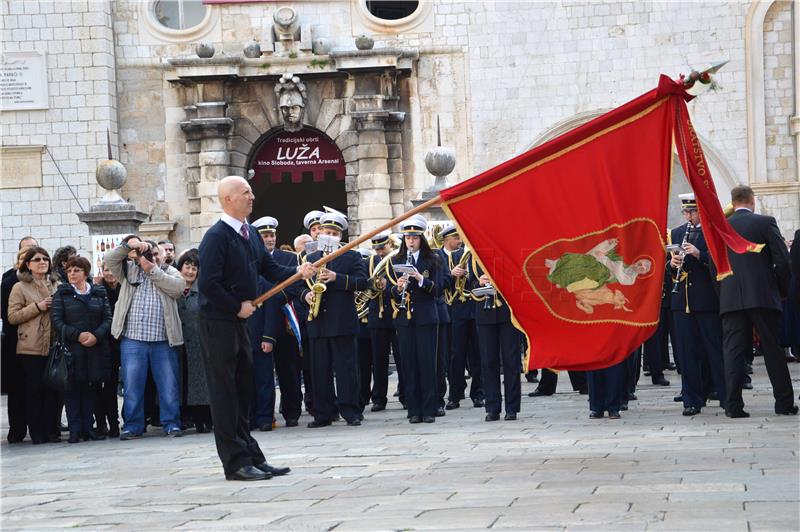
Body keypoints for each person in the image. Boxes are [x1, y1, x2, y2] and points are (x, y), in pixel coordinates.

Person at [197, 175, 314, 481]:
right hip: (219, 323)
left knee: (241, 389)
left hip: (239, 323)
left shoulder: (249, 234)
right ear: (227, 200)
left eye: (250, 192)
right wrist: (237, 306)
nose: (252, 196)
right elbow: (208, 284)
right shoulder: (216, 237)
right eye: (245, 192)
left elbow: (270, 269)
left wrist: (299, 272)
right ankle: (235, 463)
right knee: (225, 394)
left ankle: (251, 455)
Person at [718, 186, 796, 418]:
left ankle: (732, 405)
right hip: (762, 295)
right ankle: (783, 403)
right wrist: (781, 291)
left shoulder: (722, 227)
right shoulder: (765, 222)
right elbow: (782, 261)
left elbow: (715, 264)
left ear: (732, 202)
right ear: (752, 200)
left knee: (733, 351)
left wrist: (722, 293)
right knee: (773, 350)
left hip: (731, 297)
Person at [105, 235, 186, 439]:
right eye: (147, 253)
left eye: (156, 253)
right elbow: (110, 259)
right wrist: (128, 246)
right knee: (132, 385)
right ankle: (133, 426)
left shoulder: (171, 272)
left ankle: (171, 424)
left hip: (163, 340)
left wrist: (151, 269)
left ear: (162, 255)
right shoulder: (128, 272)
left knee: (168, 385)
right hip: (133, 339)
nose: (152, 256)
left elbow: (177, 289)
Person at [301, 210, 368, 428]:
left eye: (333, 233)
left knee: (346, 368)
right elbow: (297, 286)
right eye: (325, 232)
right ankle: (323, 413)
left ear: (339, 236)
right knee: (319, 370)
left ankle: (351, 411)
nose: (329, 235)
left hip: (342, 322)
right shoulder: (310, 259)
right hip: (318, 321)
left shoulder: (351, 256)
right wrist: (306, 294)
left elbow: (362, 282)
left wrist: (337, 278)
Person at [669, 193, 726, 416]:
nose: (689, 216)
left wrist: (700, 254)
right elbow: (669, 272)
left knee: (715, 351)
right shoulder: (676, 233)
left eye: (693, 211)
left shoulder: (713, 231)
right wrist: (672, 264)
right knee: (686, 354)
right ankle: (692, 400)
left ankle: (724, 395)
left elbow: (721, 262)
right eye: (686, 212)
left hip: (707, 301)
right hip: (682, 303)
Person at [51, 256, 112, 443]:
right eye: (69, 271)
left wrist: (96, 335)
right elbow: (58, 321)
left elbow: (108, 319)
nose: (72, 274)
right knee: (72, 390)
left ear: (85, 272)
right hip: (72, 350)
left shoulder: (99, 292)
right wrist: (77, 335)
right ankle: (75, 429)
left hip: (94, 349)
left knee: (90, 388)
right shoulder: (62, 294)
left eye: (76, 270)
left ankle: (89, 427)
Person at [389, 215, 443, 424]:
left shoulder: (433, 260)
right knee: (408, 364)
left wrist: (421, 279)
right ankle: (413, 410)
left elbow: (438, 290)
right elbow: (389, 291)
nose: (410, 241)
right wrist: (398, 287)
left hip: (426, 317)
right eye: (407, 237)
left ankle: (429, 409)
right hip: (404, 319)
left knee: (427, 363)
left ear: (421, 238)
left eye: (414, 237)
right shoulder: (397, 260)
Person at [253, 216, 304, 428]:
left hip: (284, 321)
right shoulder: (252, 260)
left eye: (272, 235)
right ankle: (264, 415)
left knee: (288, 370)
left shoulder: (290, 259)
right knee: (262, 374)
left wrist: (274, 298)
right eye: (265, 235)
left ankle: (292, 412)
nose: (270, 239)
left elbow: (295, 286)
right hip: (260, 321)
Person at [7, 246, 61, 444]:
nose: (42, 262)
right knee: (35, 391)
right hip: (30, 347)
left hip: (53, 345)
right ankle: (37, 433)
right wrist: (38, 307)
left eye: (45, 259)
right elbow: (12, 316)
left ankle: (52, 431)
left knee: (52, 392)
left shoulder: (56, 284)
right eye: (37, 259)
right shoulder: (19, 287)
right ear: (28, 265)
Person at [440, 223, 483, 410]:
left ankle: (478, 393)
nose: (460, 240)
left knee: (477, 354)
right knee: (456, 354)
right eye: (457, 237)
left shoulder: (473, 254)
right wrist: (452, 274)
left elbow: (477, 277)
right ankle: (455, 395)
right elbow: (439, 282)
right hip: (455, 310)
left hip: (474, 307)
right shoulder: (443, 257)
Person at [472, 262, 521, 421]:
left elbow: (519, 277)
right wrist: (479, 282)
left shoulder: (504, 249)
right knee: (488, 361)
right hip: (485, 314)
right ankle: (492, 407)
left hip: (508, 313)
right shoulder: (473, 256)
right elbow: (467, 286)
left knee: (511, 361)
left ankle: (512, 407)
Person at [2, 236, 38, 443]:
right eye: (25, 252)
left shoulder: (44, 278)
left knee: (35, 386)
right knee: (17, 388)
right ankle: (17, 429)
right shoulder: (9, 281)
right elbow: (8, 315)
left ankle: (38, 427)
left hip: (38, 341)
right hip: (15, 341)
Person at [176, 249, 212, 434]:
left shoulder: (203, 290)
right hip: (177, 342)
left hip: (199, 342)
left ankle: (203, 419)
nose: (190, 272)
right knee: (180, 381)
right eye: (186, 267)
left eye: (193, 268)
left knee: (200, 382)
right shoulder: (173, 288)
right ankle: (183, 417)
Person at [364, 231, 400, 412]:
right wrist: (373, 285)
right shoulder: (369, 262)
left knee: (402, 359)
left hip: (396, 314)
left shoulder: (397, 259)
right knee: (378, 361)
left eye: (382, 248)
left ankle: (406, 394)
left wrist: (389, 288)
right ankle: (378, 398)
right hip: (377, 316)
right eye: (376, 248)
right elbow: (363, 283)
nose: (379, 252)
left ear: (390, 244)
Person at [94, 261, 121, 437]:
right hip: (101, 342)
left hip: (118, 341)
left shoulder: (124, 289)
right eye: (106, 270)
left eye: (112, 269)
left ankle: (114, 422)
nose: (109, 273)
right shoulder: (97, 290)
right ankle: (102, 422)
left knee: (111, 385)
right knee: (98, 385)